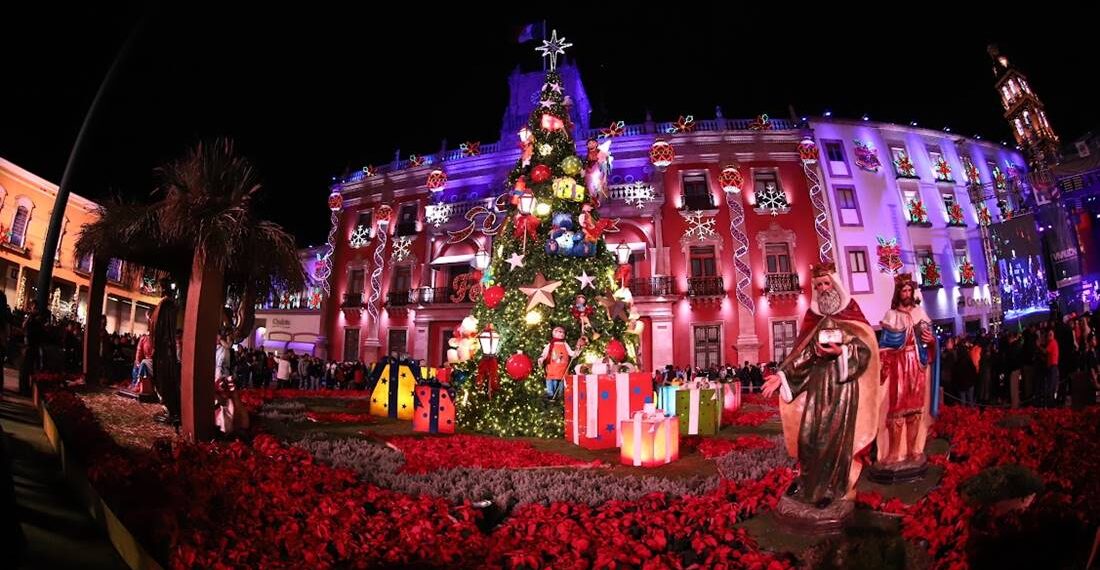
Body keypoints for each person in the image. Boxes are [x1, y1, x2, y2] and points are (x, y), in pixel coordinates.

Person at [762, 263, 879, 520]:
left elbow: (865, 349)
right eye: (818, 286)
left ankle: (832, 489)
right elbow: (804, 354)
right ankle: (809, 486)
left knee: (835, 440)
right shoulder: (815, 319)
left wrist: (842, 352)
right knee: (809, 438)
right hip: (817, 388)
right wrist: (782, 377)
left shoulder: (851, 314)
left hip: (842, 388)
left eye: (826, 284)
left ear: (835, 285)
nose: (823, 290)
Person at [877, 273, 935, 465]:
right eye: (904, 290)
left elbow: (930, 340)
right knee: (897, 410)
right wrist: (883, 367)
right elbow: (884, 345)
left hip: (917, 364)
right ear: (898, 293)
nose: (907, 293)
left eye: (910, 290)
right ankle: (894, 452)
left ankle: (912, 450)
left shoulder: (920, 312)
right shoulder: (891, 315)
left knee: (915, 410)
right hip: (898, 365)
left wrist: (932, 341)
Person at [150, 279, 181, 426]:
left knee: (166, 380)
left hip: (165, 351)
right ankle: (168, 408)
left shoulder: (167, 305)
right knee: (160, 379)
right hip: (160, 350)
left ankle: (171, 409)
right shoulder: (163, 305)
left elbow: (167, 328)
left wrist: (168, 348)